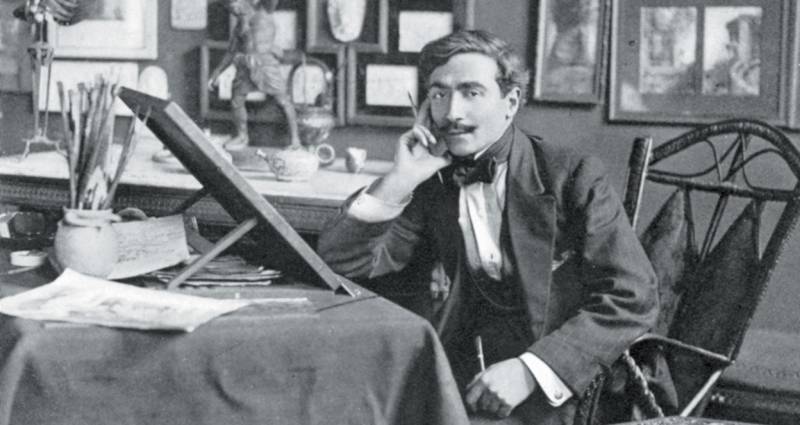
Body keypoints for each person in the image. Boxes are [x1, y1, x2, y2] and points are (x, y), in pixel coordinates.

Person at [317, 30, 658, 424]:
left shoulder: (572, 175)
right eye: (439, 94)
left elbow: (632, 295)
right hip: (465, 371)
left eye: (471, 93)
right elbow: (343, 263)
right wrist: (400, 178)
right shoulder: (431, 180)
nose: (452, 112)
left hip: (571, 381)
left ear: (510, 103)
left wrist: (529, 371)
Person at [207, 0, 300, 150]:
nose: (234, 10)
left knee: (283, 101)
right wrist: (217, 72)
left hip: (266, 64)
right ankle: (242, 136)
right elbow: (231, 52)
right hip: (246, 65)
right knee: (236, 100)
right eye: (230, 8)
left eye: (235, 4)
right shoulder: (238, 27)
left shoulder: (264, 10)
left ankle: (295, 140)